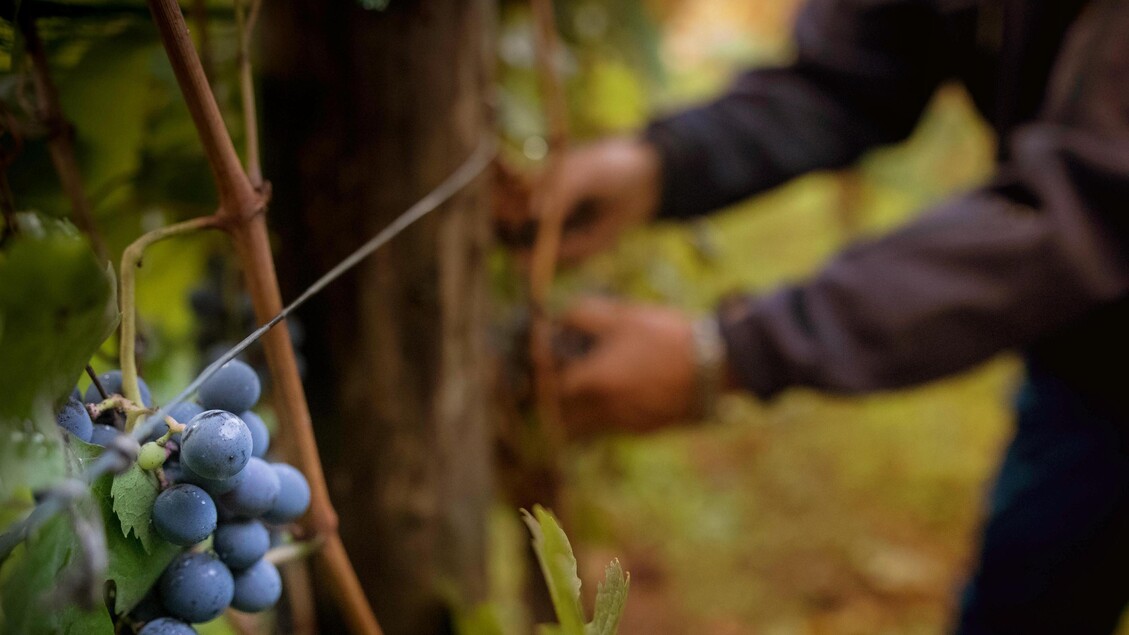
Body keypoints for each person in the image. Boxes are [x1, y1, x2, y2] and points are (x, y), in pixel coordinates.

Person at [498, 0, 1129, 632]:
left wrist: (735, 351)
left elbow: (1088, 209)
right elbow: (848, 77)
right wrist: (658, 165)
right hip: (1088, 362)